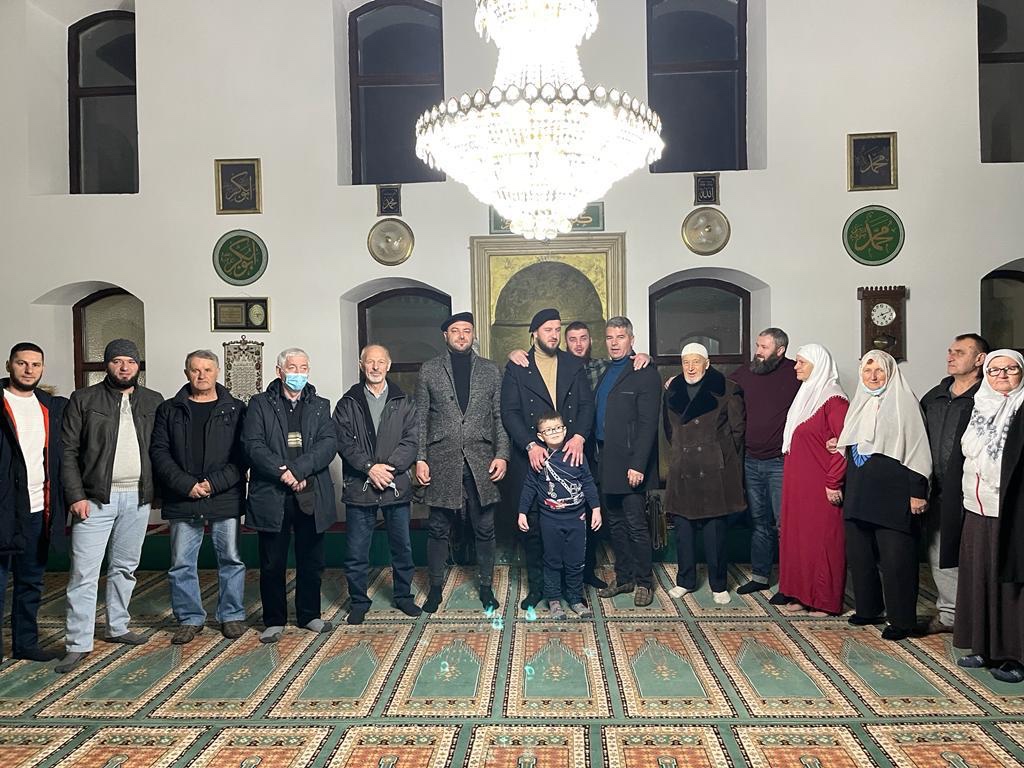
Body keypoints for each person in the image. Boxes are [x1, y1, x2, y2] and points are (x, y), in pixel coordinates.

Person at [57, 339, 164, 673]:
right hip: (94, 499)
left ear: (138, 365)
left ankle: (117, 626)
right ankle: (77, 643)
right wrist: (75, 496)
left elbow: (161, 449)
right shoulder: (83, 399)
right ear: (107, 365)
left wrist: (158, 493)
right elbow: (68, 452)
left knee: (125, 567)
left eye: (130, 361)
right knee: (84, 573)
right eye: (117, 361)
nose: (124, 367)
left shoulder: (154, 401)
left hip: (137, 498)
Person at [150, 350, 247, 644]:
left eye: (207, 369)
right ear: (186, 373)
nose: (201, 375)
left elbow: (243, 455)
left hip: (224, 496)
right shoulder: (169, 409)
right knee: (181, 562)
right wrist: (187, 485)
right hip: (183, 496)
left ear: (218, 372)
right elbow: (159, 452)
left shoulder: (237, 409)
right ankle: (189, 618)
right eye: (195, 370)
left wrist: (213, 484)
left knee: (231, 559)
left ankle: (231, 615)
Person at [416, 312, 510, 614]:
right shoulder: (429, 369)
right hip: (441, 457)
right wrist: (420, 459)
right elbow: (421, 419)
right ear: (445, 336)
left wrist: (502, 454)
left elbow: (499, 417)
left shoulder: (490, 370)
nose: (461, 336)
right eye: (455, 331)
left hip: (481, 458)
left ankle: (486, 587)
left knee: (485, 527)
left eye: (466, 331)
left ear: (473, 335)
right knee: (438, 527)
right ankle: (434, 589)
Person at [501, 308, 594, 610]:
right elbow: (509, 412)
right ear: (534, 334)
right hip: (533, 454)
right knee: (535, 525)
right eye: (547, 330)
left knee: (572, 521)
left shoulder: (573, 364)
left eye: (557, 329)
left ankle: (572, 588)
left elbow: (586, 405)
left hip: (570, 452)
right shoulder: (518, 366)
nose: (554, 335)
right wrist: (529, 445)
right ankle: (539, 588)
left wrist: (578, 437)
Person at [242, 347, 337, 644]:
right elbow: (252, 444)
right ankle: (274, 620)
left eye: (303, 367)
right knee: (272, 562)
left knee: (312, 559)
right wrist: (283, 472)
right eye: (292, 367)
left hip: (310, 491)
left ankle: (309, 614)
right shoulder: (259, 404)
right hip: (273, 493)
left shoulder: (320, 405)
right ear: (279, 371)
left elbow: (328, 444)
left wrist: (298, 470)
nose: (298, 373)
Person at [940, 349, 1024, 683]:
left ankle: (1015, 655)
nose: (1001, 376)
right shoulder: (976, 406)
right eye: (994, 370)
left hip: (1012, 510)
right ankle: (983, 646)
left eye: (1010, 369)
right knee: (979, 576)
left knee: (1011, 582)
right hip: (975, 507)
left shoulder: (1021, 406)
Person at [837, 350, 931, 641]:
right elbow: (852, 445)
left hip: (894, 495)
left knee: (896, 561)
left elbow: (917, 450)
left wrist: (917, 492)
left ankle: (902, 621)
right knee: (860, 556)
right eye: (867, 371)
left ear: (890, 373)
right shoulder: (859, 402)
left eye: (879, 371)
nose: (873, 376)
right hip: (859, 492)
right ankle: (869, 609)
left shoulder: (905, 403)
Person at [334, 344, 421, 625]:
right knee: (356, 551)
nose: (375, 367)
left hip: (395, 484)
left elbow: (412, 440)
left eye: (380, 362)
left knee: (402, 548)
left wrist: (389, 469)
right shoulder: (347, 403)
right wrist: (370, 468)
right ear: (361, 365)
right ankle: (359, 602)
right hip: (360, 486)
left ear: (388, 365)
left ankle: (404, 597)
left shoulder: (404, 401)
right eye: (370, 362)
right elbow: (343, 442)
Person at [662, 343, 745, 605]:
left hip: (713, 470)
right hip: (683, 468)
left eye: (696, 361)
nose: (690, 367)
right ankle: (685, 581)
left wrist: (719, 457)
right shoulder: (672, 391)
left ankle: (719, 584)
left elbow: (738, 433)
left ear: (707, 364)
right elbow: (669, 431)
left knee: (715, 532)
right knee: (683, 530)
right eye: (686, 362)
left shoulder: (728, 389)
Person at [919, 333, 989, 634]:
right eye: (950, 351)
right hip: (937, 489)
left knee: (977, 554)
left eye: (960, 352)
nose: (950, 356)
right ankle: (950, 615)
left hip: (975, 489)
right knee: (939, 552)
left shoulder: (988, 396)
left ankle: (983, 618)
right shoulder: (933, 397)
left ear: (979, 359)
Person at [1, 343, 66, 662]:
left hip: (38, 507)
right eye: (22, 363)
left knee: (31, 582)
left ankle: (25, 645)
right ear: (9, 365)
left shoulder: (50, 405)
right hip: (3, 508)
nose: (29, 370)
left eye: (35, 364)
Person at [593, 317, 661, 606]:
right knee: (616, 524)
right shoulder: (605, 370)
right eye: (610, 337)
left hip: (631, 462)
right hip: (606, 458)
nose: (615, 342)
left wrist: (638, 465)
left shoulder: (645, 373)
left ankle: (644, 581)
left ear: (632, 340)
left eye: (620, 337)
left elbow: (648, 424)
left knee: (635, 524)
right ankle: (624, 578)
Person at [776, 344, 849, 616]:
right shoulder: (806, 395)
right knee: (799, 540)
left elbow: (844, 445)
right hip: (798, 484)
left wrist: (833, 482)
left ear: (818, 366)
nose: (796, 367)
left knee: (823, 542)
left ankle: (825, 601)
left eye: (801, 362)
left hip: (821, 486)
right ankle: (802, 595)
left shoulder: (835, 400)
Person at [729, 328, 801, 596]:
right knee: (759, 522)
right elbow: (714, 384)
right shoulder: (747, 372)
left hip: (779, 463)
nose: (757, 351)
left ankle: (790, 584)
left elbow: (821, 395)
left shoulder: (795, 373)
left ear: (780, 351)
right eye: (757, 345)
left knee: (784, 525)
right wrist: (677, 378)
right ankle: (760, 576)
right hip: (750, 460)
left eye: (764, 347)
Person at [517, 410, 602, 619]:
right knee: (552, 561)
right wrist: (522, 512)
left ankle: (575, 598)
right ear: (540, 436)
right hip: (550, 520)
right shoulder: (539, 459)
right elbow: (529, 487)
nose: (554, 432)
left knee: (576, 561)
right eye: (548, 430)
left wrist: (596, 509)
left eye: (557, 428)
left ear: (565, 430)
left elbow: (588, 483)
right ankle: (553, 599)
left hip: (577, 519)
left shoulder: (577, 455)